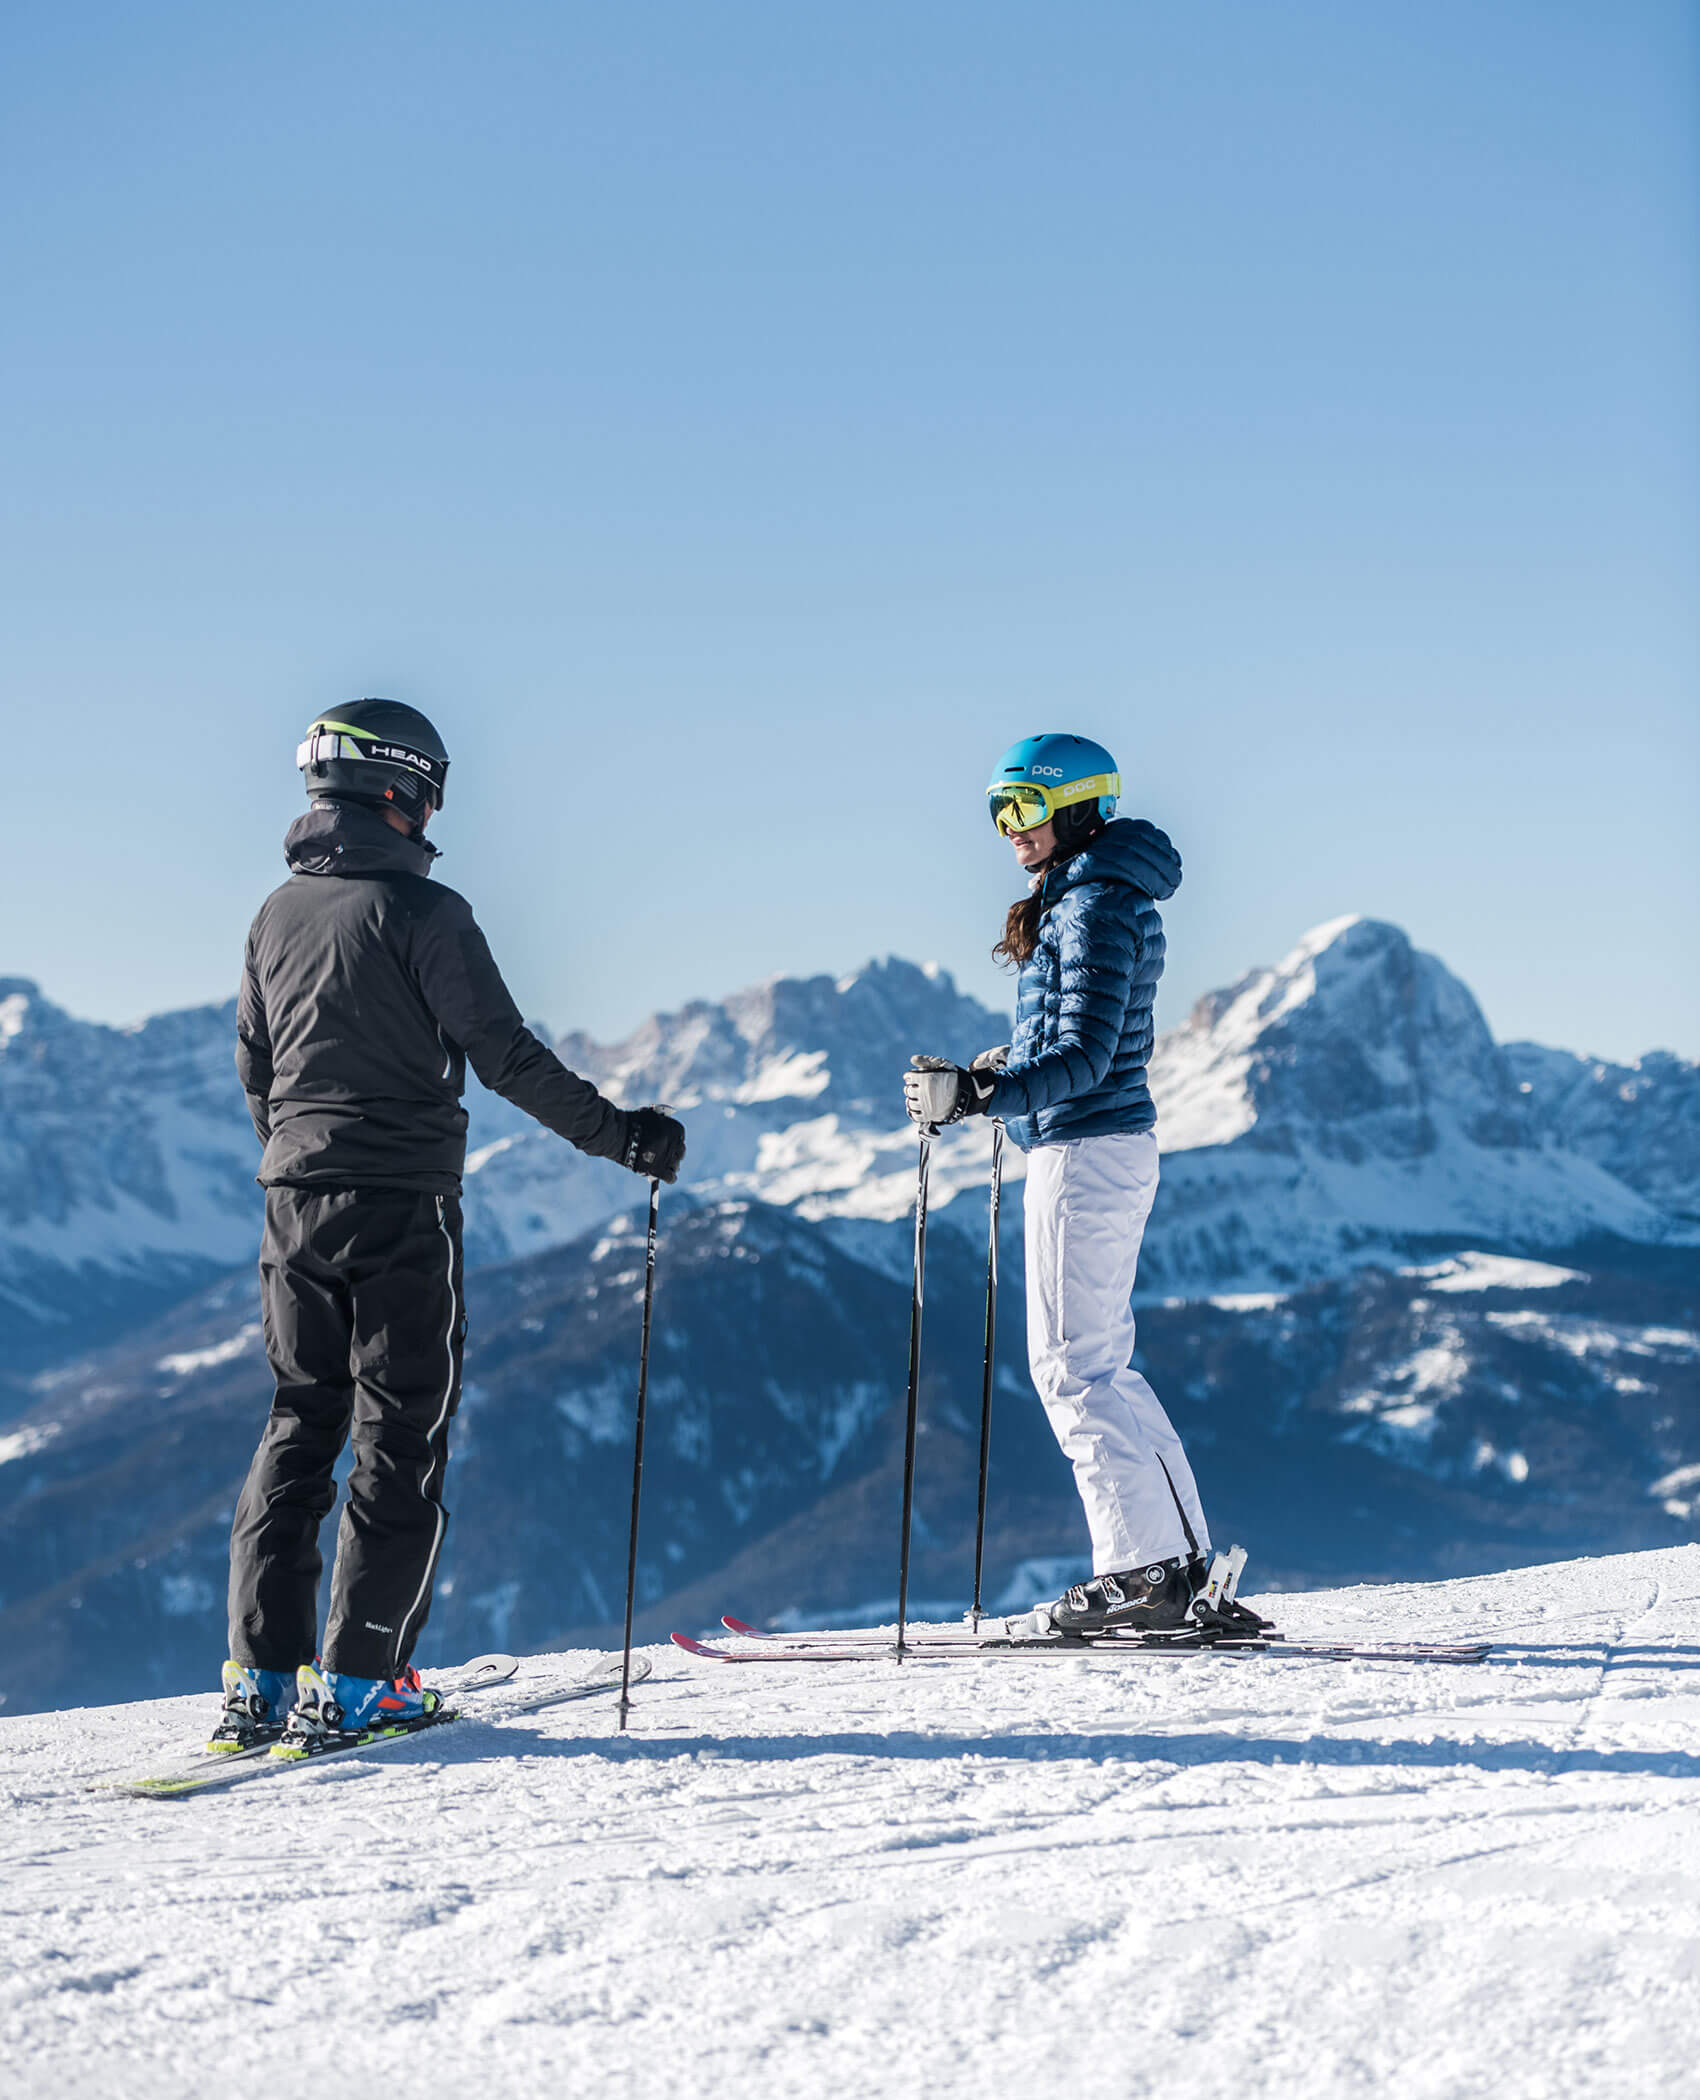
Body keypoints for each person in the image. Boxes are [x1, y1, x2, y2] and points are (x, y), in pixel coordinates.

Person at [215, 698, 685, 1755]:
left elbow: (257, 1066)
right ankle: (361, 1686)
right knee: (399, 1430)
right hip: (398, 1206)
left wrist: (296, 1156)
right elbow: (504, 1055)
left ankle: (259, 1683)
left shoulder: (275, 914)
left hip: (290, 1201)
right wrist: (625, 1139)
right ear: (405, 788)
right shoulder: (428, 916)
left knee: (298, 1422)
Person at [902, 731, 1212, 1633]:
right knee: (1102, 1366)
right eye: (999, 809)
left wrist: (984, 1094)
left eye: (1027, 806)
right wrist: (1003, 1068)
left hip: (1083, 1152)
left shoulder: (1092, 908)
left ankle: (1139, 1575)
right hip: (1101, 1145)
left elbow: (1086, 1056)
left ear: (1078, 808)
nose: (1010, 827)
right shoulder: (1094, 899)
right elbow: (1077, 1044)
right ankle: (1178, 1565)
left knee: (1071, 1371)